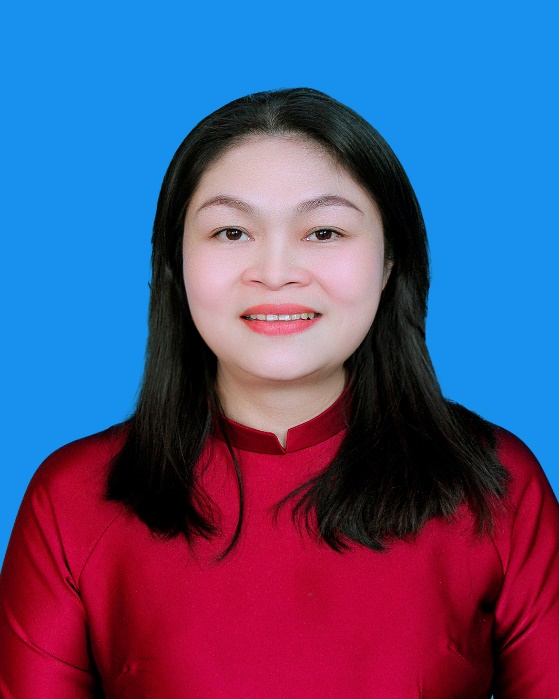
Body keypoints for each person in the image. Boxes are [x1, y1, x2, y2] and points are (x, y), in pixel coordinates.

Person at [1, 88, 558, 698]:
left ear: (390, 261)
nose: (274, 272)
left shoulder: (498, 487)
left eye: (323, 231)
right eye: (231, 231)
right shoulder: (72, 500)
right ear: (175, 263)